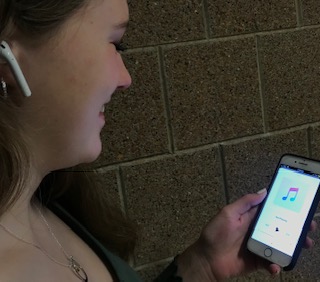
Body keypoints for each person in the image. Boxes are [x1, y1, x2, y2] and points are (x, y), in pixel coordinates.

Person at [0, 1, 316, 281]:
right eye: (114, 44)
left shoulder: (51, 205)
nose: (126, 79)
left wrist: (202, 266)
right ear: (9, 57)